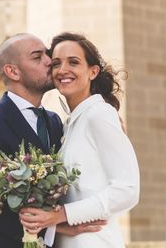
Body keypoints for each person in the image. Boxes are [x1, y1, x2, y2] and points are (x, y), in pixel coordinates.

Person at [0, 33, 105, 248]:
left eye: (47, 54)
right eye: (38, 57)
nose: (50, 62)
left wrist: (104, 120)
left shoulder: (55, 122)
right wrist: (54, 226)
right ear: (13, 71)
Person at [19, 32, 140, 248]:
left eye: (73, 62)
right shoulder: (69, 124)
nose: (63, 70)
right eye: (56, 63)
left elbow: (128, 190)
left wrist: (61, 214)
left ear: (93, 71)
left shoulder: (99, 114)